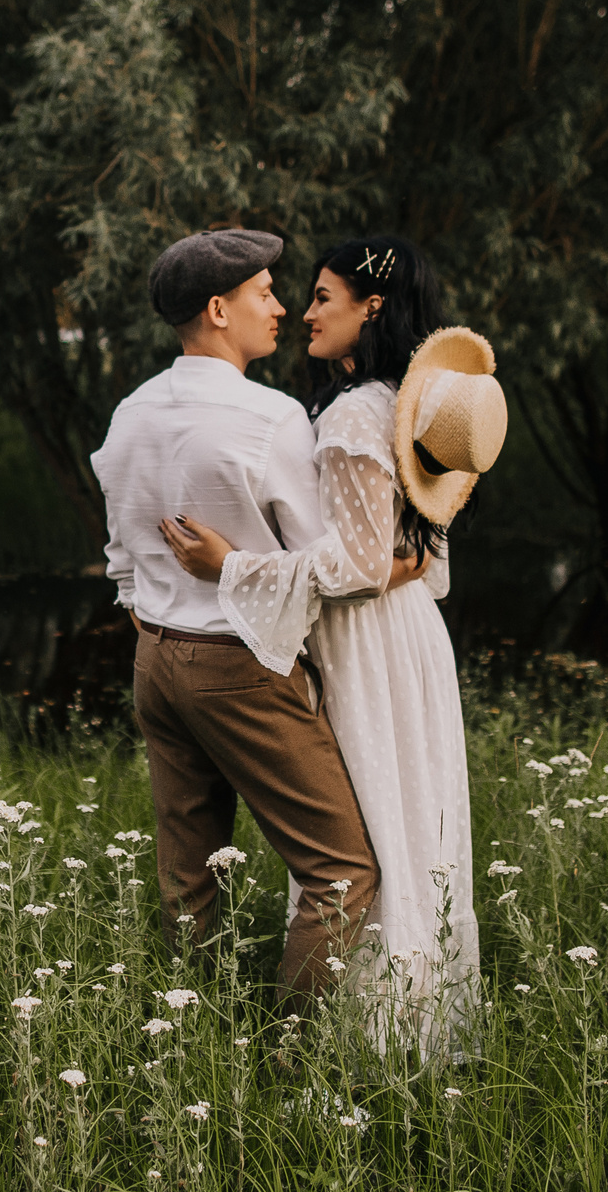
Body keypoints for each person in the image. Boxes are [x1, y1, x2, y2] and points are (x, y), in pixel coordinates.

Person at [159, 236, 505, 1043]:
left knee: (366, 826)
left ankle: (356, 1036)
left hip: (365, 639)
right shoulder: (407, 403)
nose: (304, 312)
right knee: (405, 819)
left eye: (321, 296)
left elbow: (355, 564)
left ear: (371, 307)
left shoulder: (352, 413)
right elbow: (419, 556)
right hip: (411, 635)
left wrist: (233, 565)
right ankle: (409, 1020)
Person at [89, 228, 414, 1006]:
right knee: (341, 870)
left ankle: (194, 1042)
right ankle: (289, 1057)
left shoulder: (130, 414)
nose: (280, 307)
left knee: (189, 874)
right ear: (217, 309)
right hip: (235, 664)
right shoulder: (271, 418)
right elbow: (328, 559)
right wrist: (402, 564)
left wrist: (155, 617)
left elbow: (121, 553)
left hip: (155, 664)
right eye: (263, 293)